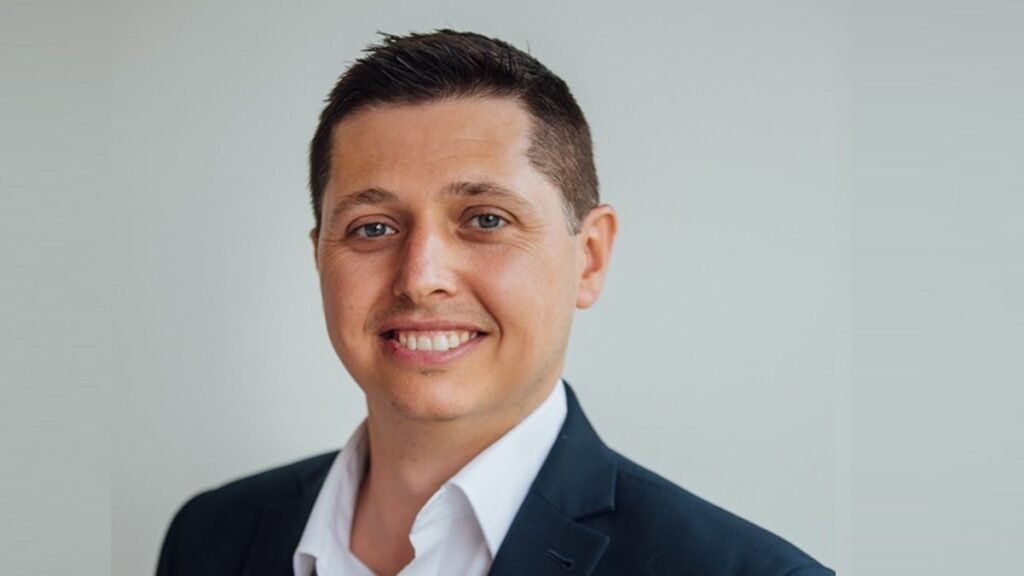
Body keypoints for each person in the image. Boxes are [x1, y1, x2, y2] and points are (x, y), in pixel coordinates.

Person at [156, 29, 833, 576]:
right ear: (319, 260)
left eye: (485, 219)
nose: (420, 278)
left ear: (590, 257)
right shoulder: (208, 536)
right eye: (373, 228)